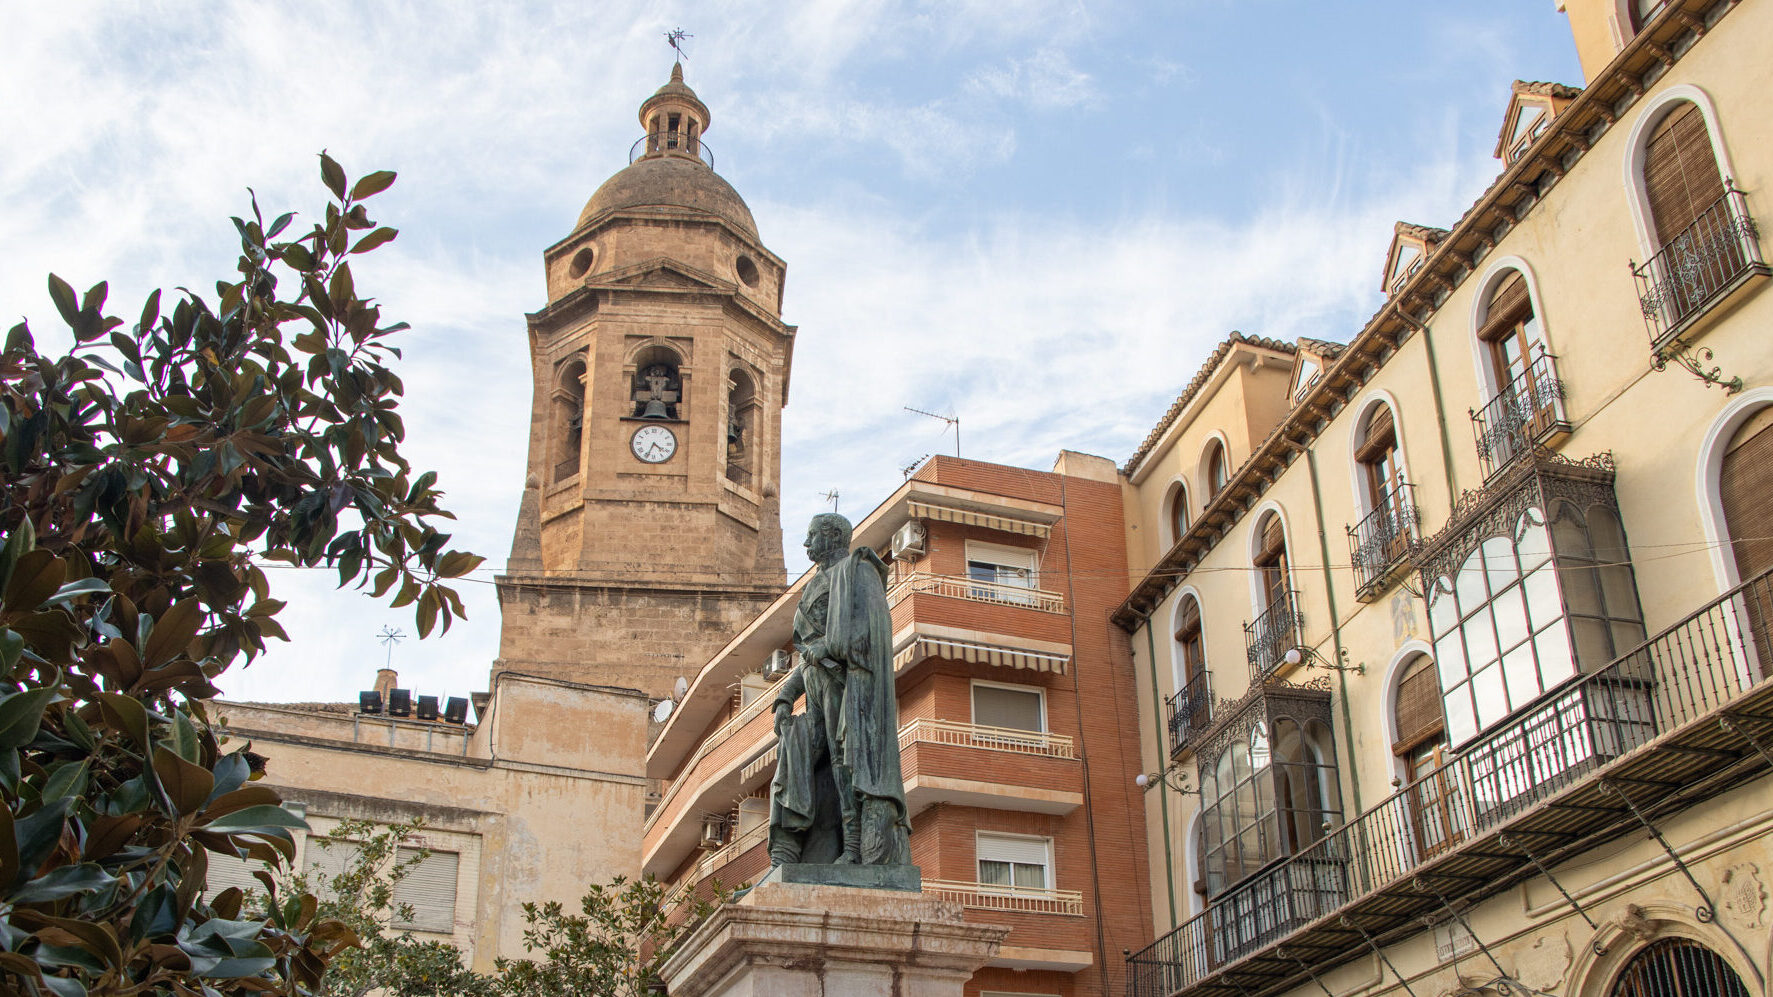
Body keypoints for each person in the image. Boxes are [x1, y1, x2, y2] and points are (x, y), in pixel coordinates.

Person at [768, 513, 911, 866]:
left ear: (832, 538)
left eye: (812, 535)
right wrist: (786, 695)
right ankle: (785, 855)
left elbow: (871, 632)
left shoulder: (858, 572)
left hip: (848, 689)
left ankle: (853, 848)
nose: (806, 544)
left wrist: (831, 648)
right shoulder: (813, 586)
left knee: (843, 765)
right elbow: (806, 653)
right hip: (815, 686)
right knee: (795, 757)